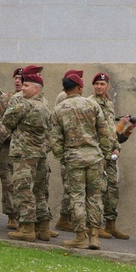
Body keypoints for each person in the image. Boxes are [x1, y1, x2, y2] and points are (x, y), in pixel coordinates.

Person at [49, 72, 116, 250]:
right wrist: (105, 153)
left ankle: (80, 236)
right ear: (80, 88)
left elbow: (55, 139)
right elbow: (104, 131)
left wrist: (62, 157)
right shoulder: (92, 105)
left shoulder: (59, 109)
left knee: (77, 197)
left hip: (73, 158)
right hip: (94, 157)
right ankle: (94, 236)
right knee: (95, 197)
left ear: (64, 89)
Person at [2, 66, 53, 242]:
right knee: (39, 191)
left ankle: (27, 228)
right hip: (40, 154)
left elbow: (7, 121)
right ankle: (44, 228)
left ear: (36, 89)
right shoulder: (45, 104)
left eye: (27, 86)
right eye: (22, 85)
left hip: (23, 154)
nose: (22, 88)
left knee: (23, 190)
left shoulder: (22, 104)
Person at [88, 72, 129, 240]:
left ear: (108, 86)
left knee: (112, 188)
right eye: (96, 83)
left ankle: (111, 224)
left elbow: (111, 129)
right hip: (96, 152)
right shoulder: (90, 103)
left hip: (109, 153)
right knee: (97, 190)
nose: (99, 86)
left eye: (102, 84)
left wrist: (117, 147)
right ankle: (94, 226)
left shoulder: (109, 104)